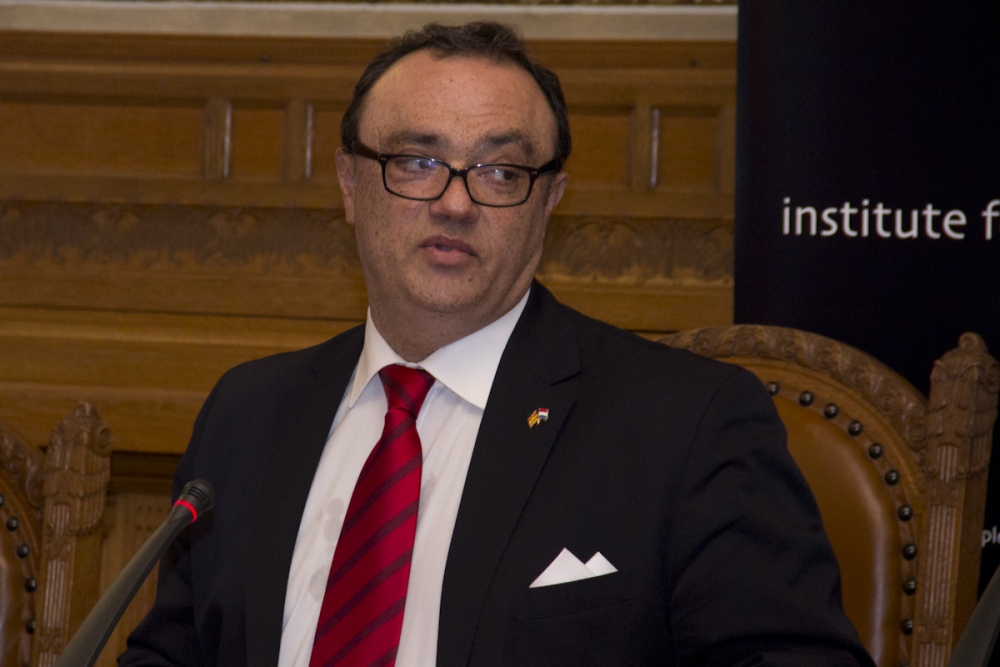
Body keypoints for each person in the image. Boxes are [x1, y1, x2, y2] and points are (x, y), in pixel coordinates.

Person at [120, 21, 874, 667]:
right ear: (350, 185)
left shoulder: (686, 426)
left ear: (549, 201)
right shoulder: (250, 413)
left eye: (501, 172)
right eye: (417, 162)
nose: (455, 202)